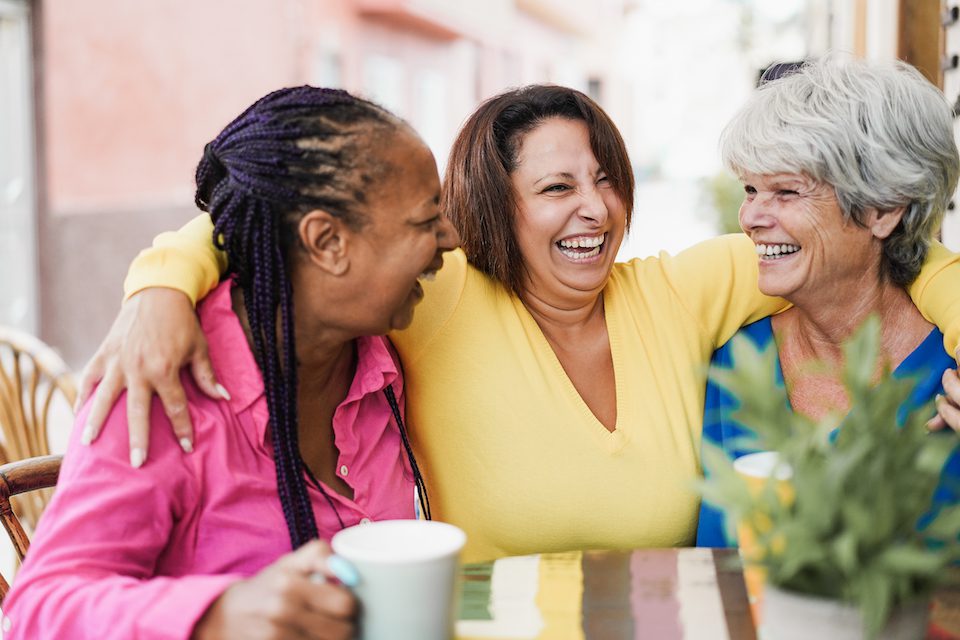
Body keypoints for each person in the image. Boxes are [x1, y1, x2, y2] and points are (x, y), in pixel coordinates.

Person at [78, 81, 960, 563]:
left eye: (604, 177)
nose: (594, 209)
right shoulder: (435, 295)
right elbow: (272, 219)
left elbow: (900, 257)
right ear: (489, 210)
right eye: (555, 188)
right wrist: (159, 283)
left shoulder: (688, 288)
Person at [2, 87, 459, 639]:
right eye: (425, 221)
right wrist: (217, 614)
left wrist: (165, 274)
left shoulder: (380, 357)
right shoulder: (160, 383)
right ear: (327, 241)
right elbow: (36, 610)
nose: (449, 239)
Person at [696, 56, 960, 546]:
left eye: (786, 191)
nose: (751, 215)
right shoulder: (734, 361)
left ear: (882, 209)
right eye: (751, 189)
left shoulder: (950, 372)